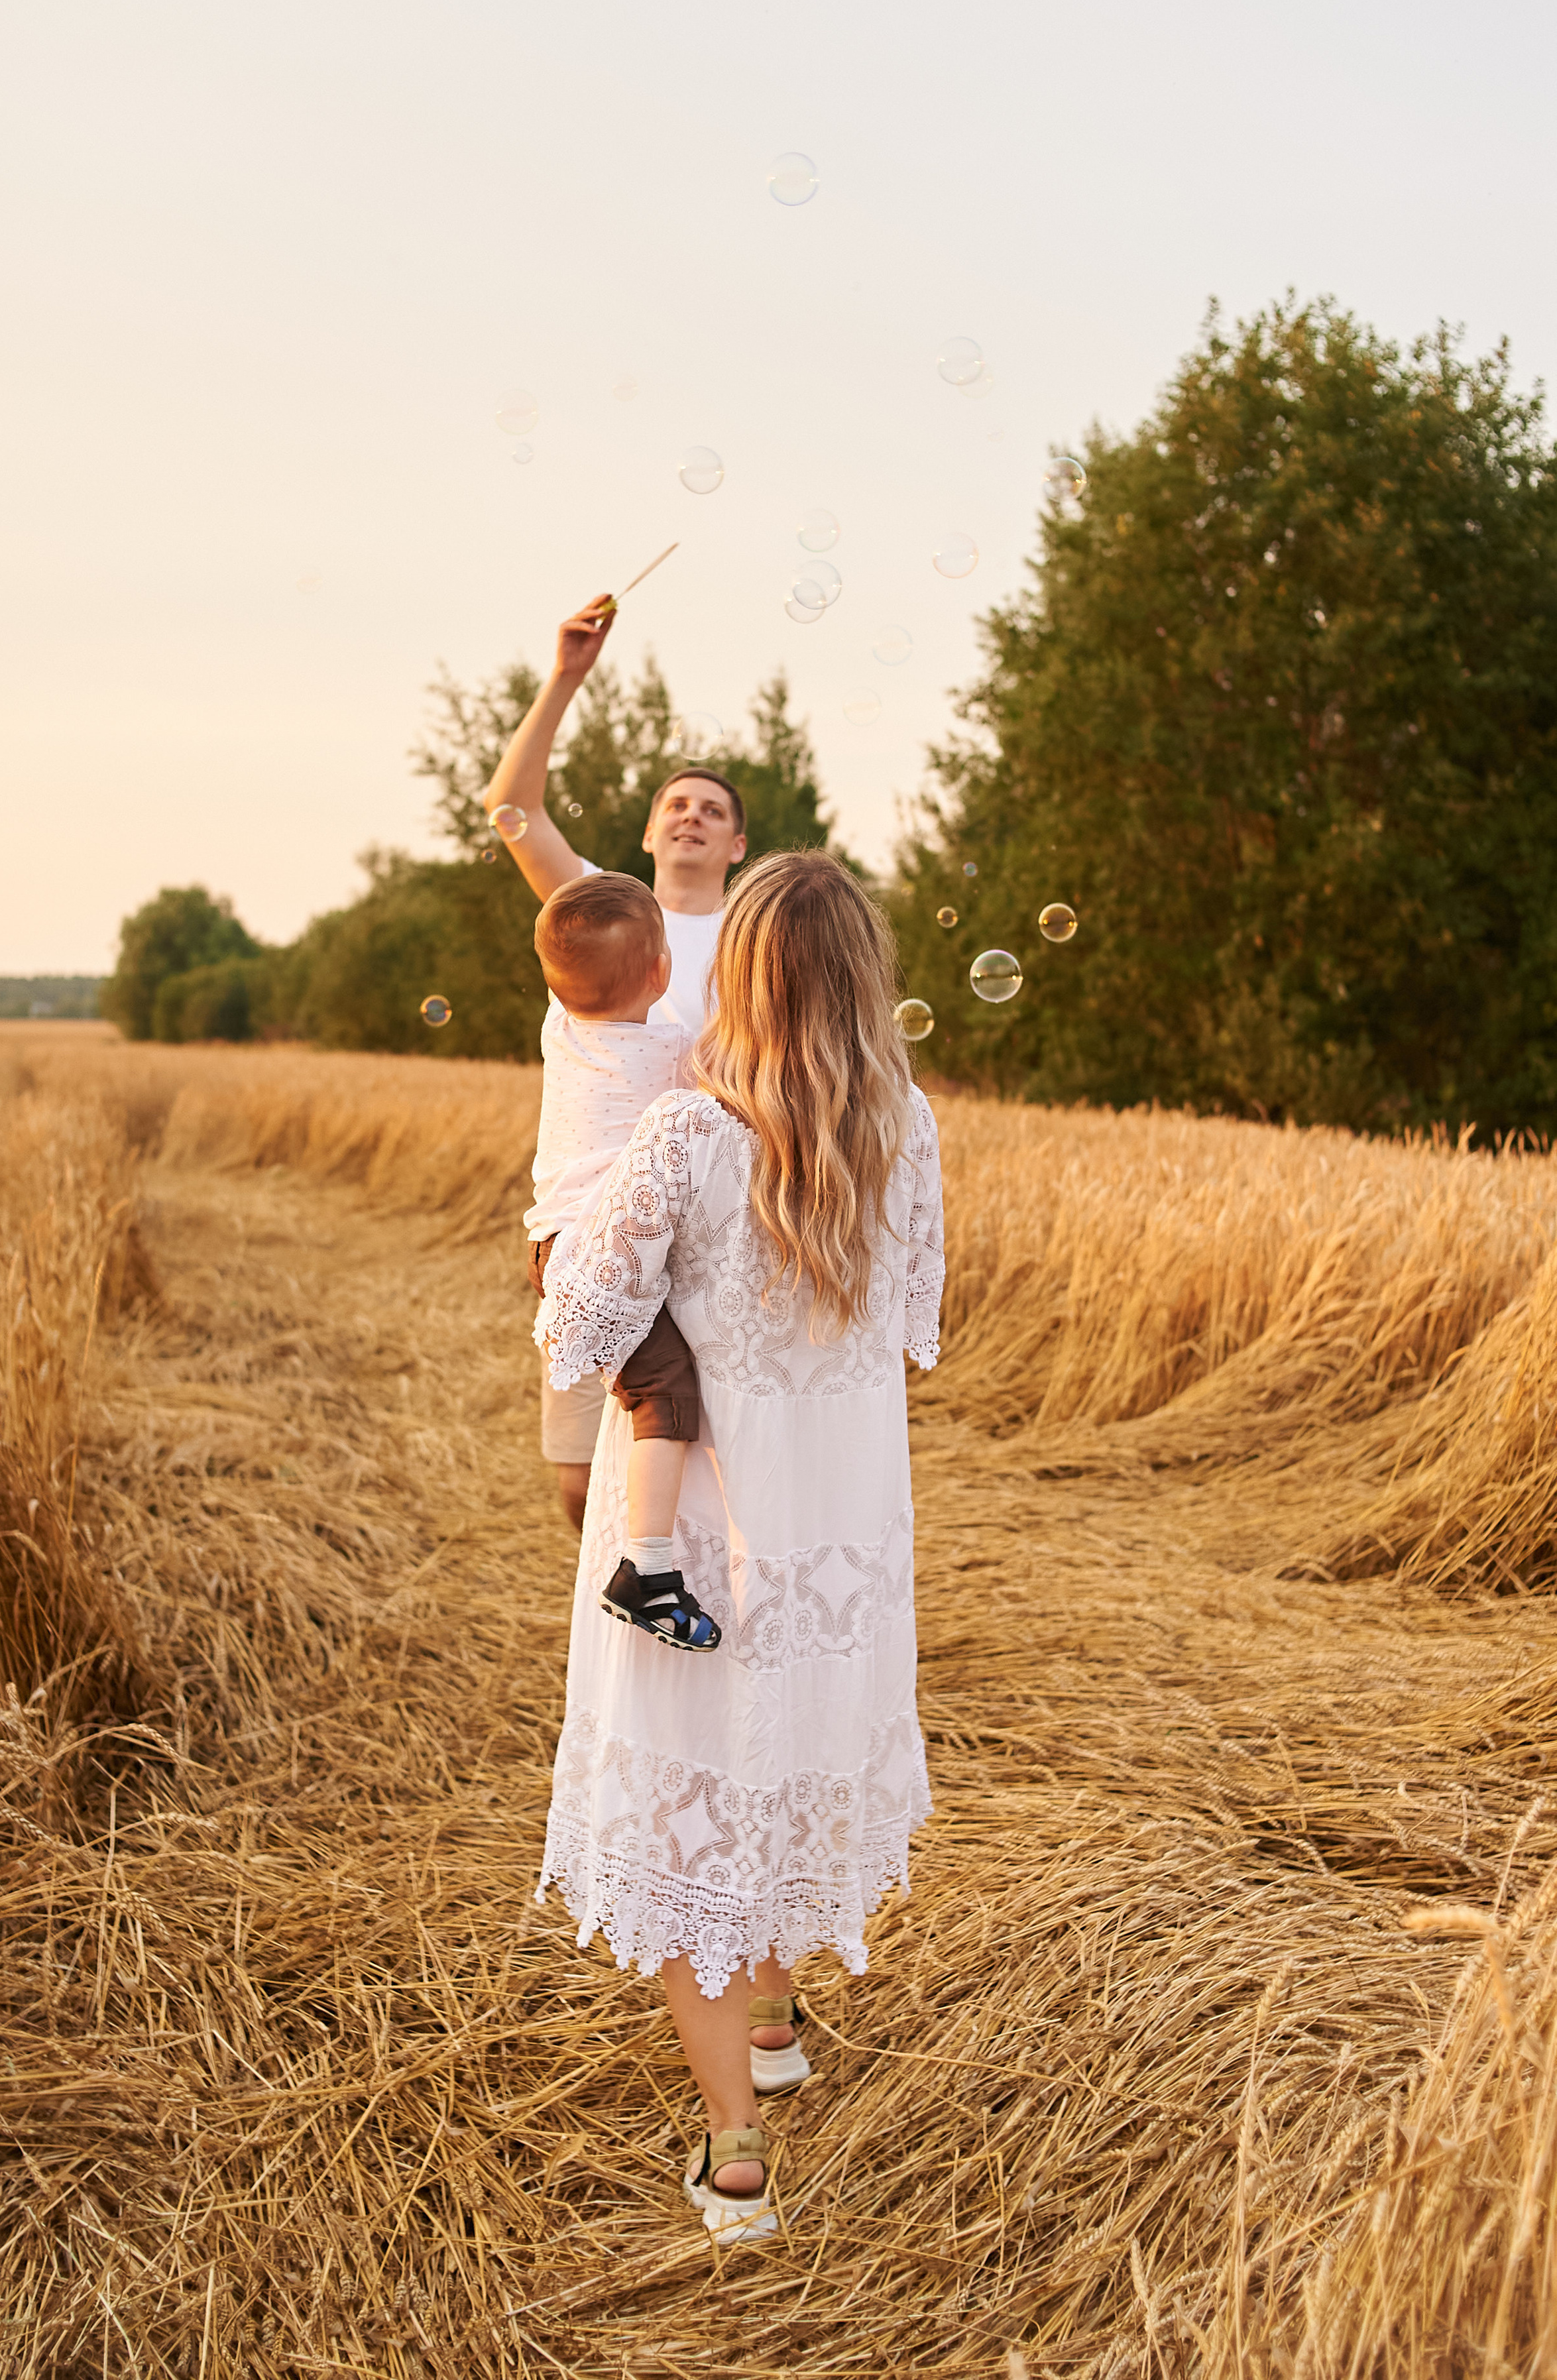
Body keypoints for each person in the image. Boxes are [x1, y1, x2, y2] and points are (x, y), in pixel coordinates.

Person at [535, 849, 945, 2243]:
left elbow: (573, 1328)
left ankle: (735, 2150)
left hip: (698, 1539)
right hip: (839, 1539)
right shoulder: (909, 1131)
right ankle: (774, 2019)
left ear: (743, 977)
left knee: (696, 1805)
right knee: (776, 1779)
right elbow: (914, 1328)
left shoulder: (686, 1135)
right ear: (863, 982)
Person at [484, 595, 748, 1533]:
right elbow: (511, 808)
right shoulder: (598, 906)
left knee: (688, 1431)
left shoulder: (756, 937)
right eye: (675, 802)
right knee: (575, 1473)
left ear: (737, 845)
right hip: (590, 1219)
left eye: (712, 809)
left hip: (704, 1223)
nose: (691, 815)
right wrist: (566, 676)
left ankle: (666, 1589)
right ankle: (614, 1611)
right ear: (647, 833)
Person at [526, 870, 721, 1652]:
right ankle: (649, 1568)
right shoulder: (676, 1054)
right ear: (662, 973)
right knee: (665, 1392)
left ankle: (643, 1552)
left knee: (645, 1386)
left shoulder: (560, 1031)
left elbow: (569, 949)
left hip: (554, 1247)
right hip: (606, 1260)